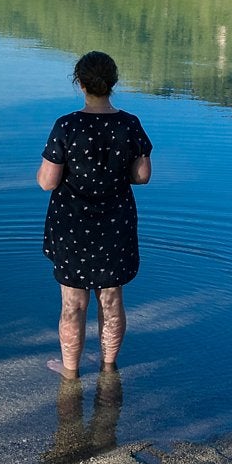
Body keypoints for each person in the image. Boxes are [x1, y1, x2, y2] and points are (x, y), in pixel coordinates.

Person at [36, 50, 152, 379]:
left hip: (72, 225)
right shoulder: (130, 124)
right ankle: (108, 367)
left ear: (81, 83)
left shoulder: (67, 126)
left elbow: (47, 182)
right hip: (115, 223)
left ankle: (70, 372)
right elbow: (142, 175)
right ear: (112, 83)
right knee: (111, 299)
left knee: (73, 303)